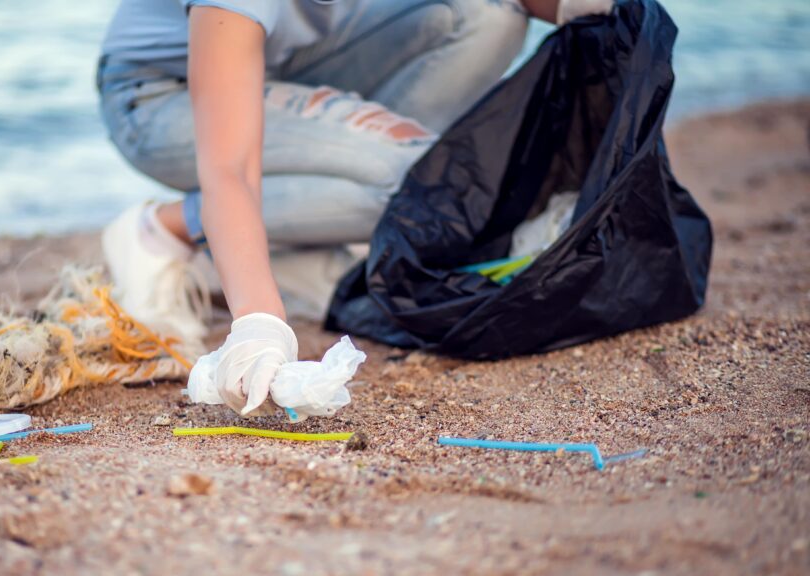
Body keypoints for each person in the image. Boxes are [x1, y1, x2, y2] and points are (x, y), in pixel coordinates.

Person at [98, 0, 613, 416]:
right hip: (162, 97)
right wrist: (260, 324)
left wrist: (593, 9)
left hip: (291, 61)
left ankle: (318, 228)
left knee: (488, 13)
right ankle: (164, 229)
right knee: (418, 186)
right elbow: (230, 168)